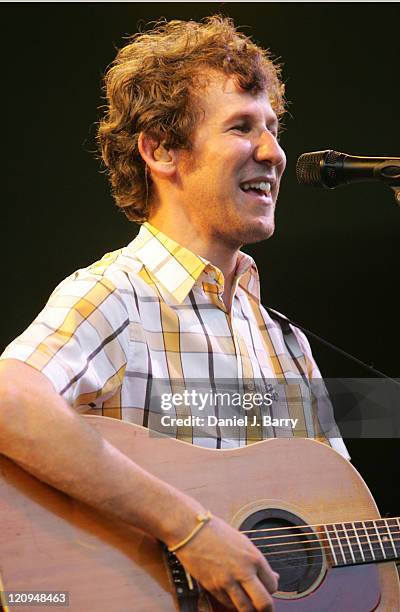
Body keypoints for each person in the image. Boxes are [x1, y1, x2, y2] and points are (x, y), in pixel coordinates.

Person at [0, 16, 348, 612]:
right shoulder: (116, 295)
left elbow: (342, 523)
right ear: (161, 150)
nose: (274, 152)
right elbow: (8, 398)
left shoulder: (284, 342)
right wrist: (189, 531)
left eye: (272, 128)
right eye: (241, 127)